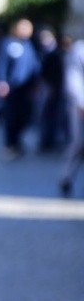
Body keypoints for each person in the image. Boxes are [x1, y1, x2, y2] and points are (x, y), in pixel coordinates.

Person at [0, 18, 41, 160]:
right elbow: (1, 64)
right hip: (13, 88)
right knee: (11, 117)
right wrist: (1, 82)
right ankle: (10, 144)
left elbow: (34, 66)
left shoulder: (30, 45)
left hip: (26, 89)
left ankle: (18, 141)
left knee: (24, 117)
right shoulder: (8, 43)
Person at [60, 38, 84, 197]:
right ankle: (66, 177)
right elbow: (73, 80)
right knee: (79, 144)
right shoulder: (80, 49)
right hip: (81, 107)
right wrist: (81, 104)